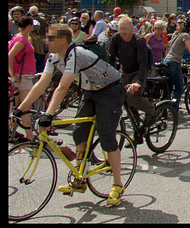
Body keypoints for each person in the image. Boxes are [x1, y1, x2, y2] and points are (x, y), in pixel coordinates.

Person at [13, 23, 126, 206]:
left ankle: (118, 184)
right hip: (90, 90)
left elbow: (63, 87)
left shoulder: (75, 54)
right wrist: (20, 109)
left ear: (63, 40)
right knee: (79, 133)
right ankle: (79, 179)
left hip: (110, 90)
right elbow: (40, 85)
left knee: (106, 136)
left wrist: (48, 114)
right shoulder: (54, 58)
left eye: (50, 38)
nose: (46, 41)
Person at [107, 16, 157, 141]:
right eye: (120, 29)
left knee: (132, 97)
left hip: (139, 71)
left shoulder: (138, 40)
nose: (123, 32)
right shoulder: (116, 38)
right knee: (126, 102)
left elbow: (142, 63)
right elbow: (110, 59)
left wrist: (139, 82)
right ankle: (137, 133)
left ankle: (152, 110)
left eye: (125, 28)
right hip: (125, 71)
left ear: (132, 28)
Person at [161, 17, 190, 113]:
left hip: (166, 61)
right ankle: (173, 110)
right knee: (179, 88)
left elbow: (173, 49)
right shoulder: (185, 35)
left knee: (169, 88)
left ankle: (163, 110)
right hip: (173, 62)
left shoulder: (177, 34)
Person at [9, 15, 37, 142]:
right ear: (29, 26)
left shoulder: (18, 37)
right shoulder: (22, 40)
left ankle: (13, 132)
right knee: (26, 106)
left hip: (22, 74)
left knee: (19, 106)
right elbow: (10, 55)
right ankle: (29, 135)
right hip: (23, 76)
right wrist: (12, 74)